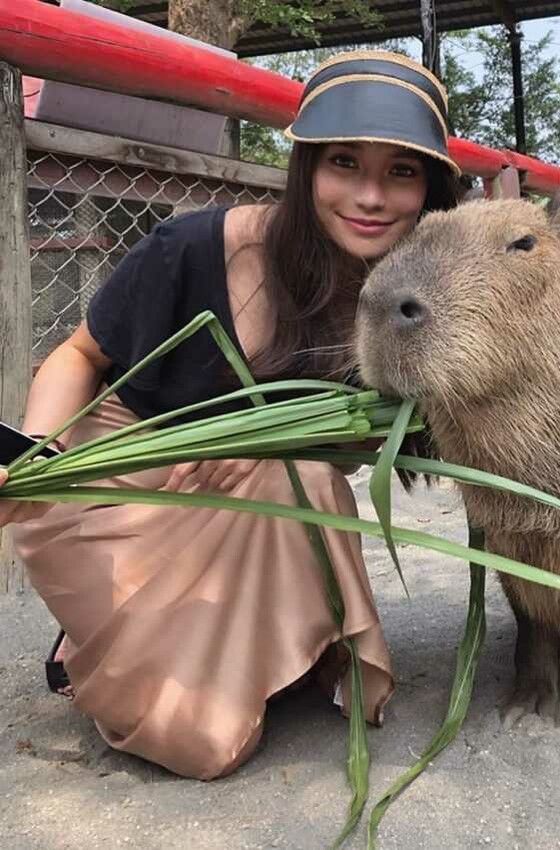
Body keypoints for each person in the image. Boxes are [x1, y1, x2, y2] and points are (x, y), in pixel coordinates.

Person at [0, 50, 461, 780]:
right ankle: (106, 630)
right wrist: (32, 463)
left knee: (303, 477)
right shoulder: (194, 246)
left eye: (400, 171)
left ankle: (286, 643)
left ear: (430, 188)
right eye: (345, 163)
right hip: (135, 477)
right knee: (199, 743)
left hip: (273, 497)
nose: (371, 196)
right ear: (306, 166)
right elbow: (76, 356)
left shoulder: (419, 301)